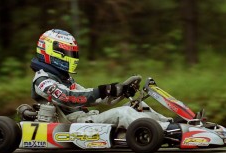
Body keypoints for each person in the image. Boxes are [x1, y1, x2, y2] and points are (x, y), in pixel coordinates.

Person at [29, 29, 172, 130]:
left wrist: (119, 91)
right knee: (122, 113)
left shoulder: (65, 78)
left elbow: (90, 97)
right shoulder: (42, 80)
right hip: (71, 124)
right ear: (50, 52)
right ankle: (163, 131)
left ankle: (172, 125)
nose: (72, 56)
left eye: (72, 53)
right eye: (67, 53)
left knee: (138, 106)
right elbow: (68, 97)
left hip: (85, 118)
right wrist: (102, 90)